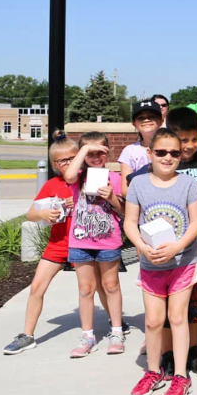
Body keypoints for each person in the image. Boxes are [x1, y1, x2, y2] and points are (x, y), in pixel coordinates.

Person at [134, 107, 197, 377]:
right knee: (167, 311)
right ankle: (168, 355)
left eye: (194, 140)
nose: (188, 146)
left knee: (196, 306)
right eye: (183, 141)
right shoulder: (159, 168)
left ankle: (192, 352)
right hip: (161, 251)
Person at [123, 129, 197, 395]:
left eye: (174, 152)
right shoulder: (138, 184)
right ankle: (153, 371)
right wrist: (142, 247)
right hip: (151, 264)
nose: (168, 157)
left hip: (182, 262)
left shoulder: (188, 184)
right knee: (154, 320)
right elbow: (130, 222)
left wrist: (177, 246)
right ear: (150, 153)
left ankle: (181, 375)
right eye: (161, 152)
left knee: (178, 318)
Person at [3, 137, 79, 355]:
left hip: (86, 244)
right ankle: (27, 335)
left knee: (100, 287)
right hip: (58, 244)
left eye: (71, 159)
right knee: (37, 287)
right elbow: (31, 214)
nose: (66, 164)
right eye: (61, 161)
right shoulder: (51, 185)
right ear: (55, 164)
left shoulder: (86, 181)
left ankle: (115, 325)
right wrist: (43, 213)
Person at [61, 131, 126, 358]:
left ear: (108, 152)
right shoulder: (78, 176)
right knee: (86, 289)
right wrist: (84, 151)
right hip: (81, 241)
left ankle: (116, 331)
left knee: (110, 286)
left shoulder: (115, 178)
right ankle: (87, 335)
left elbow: (124, 210)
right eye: (90, 153)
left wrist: (111, 197)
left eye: (100, 152)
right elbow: (68, 175)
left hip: (108, 240)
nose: (96, 157)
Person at [119, 101, 163, 175]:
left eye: (151, 116)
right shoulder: (129, 151)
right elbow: (126, 184)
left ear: (161, 121)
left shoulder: (171, 148)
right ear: (134, 124)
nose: (146, 120)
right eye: (141, 118)